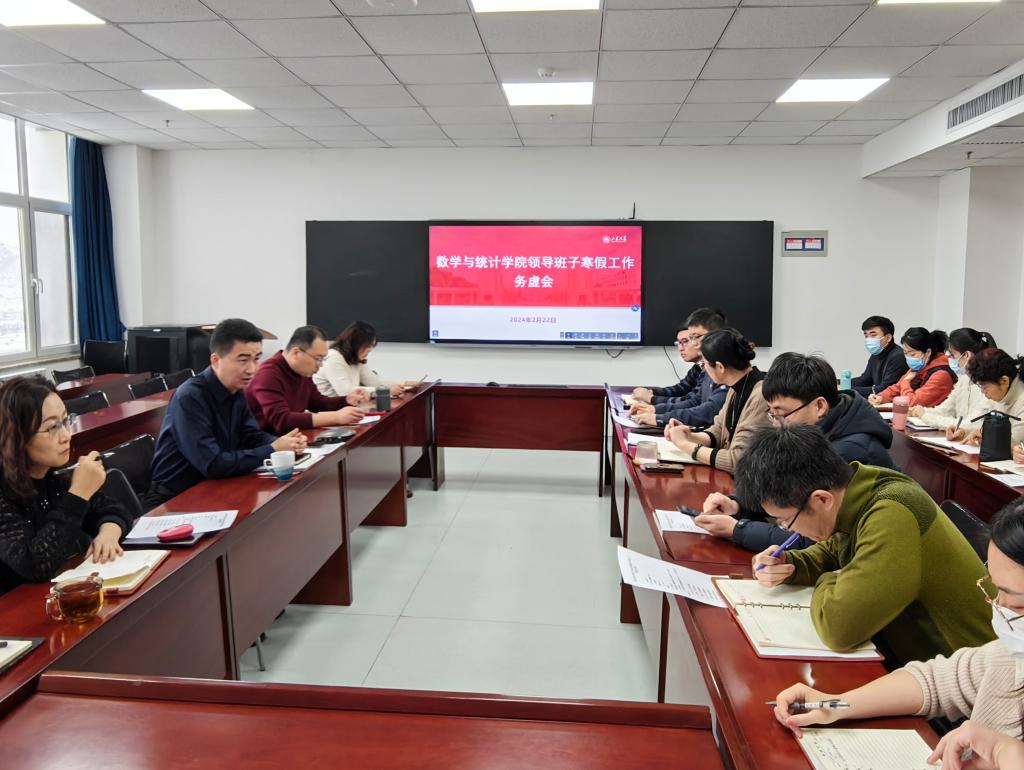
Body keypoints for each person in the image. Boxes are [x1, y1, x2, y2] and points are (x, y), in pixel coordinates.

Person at [769, 497, 1024, 756]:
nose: (999, 605)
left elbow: (839, 629)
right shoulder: (1009, 657)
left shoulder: (892, 509)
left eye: (1015, 599)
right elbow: (935, 682)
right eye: (995, 589)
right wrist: (835, 704)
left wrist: (1005, 753)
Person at [743, 425, 992, 664]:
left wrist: (831, 579)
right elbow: (835, 550)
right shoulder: (854, 490)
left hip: (969, 675)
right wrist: (790, 564)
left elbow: (839, 629)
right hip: (913, 656)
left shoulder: (891, 511)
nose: (790, 530)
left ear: (822, 500)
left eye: (787, 521)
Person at [697, 353, 895, 552]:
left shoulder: (851, 454)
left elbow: (818, 538)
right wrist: (737, 505)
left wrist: (737, 530)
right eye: (772, 414)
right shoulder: (817, 434)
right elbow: (786, 493)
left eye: (782, 414)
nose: (777, 424)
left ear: (819, 406)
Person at [144, 319, 308, 509]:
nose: (252, 369)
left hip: (216, 485)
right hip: (175, 499)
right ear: (216, 360)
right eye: (243, 360)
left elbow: (250, 436)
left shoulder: (236, 389)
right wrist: (272, 448)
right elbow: (212, 464)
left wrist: (285, 443)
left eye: (256, 358)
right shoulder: (190, 397)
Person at [0, 377, 134, 595]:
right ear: (17, 437)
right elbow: (36, 565)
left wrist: (108, 533)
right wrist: (79, 494)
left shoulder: (52, 478)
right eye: (52, 427)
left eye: (65, 421)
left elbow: (115, 510)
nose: (66, 435)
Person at [662, 328, 771, 473]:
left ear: (720, 367)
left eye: (704, 364)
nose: (704, 368)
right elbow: (718, 431)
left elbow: (737, 460)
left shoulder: (759, 395)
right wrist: (689, 436)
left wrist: (684, 444)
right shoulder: (735, 387)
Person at [245, 325, 366, 434]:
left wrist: (347, 400)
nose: (320, 365)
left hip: (290, 438)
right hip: (264, 442)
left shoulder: (301, 371)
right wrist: (335, 417)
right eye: (318, 359)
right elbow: (281, 420)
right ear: (296, 353)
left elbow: (317, 403)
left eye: (323, 359)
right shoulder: (267, 374)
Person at [628, 307, 728, 428]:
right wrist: (655, 408)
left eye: (695, 337)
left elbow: (707, 412)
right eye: (691, 338)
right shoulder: (705, 368)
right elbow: (694, 400)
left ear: (715, 336)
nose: (694, 343)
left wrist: (656, 410)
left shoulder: (725, 369)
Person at [909, 327, 999, 432]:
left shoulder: (989, 385)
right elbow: (945, 410)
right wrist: (918, 411)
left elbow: (969, 425)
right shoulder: (964, 378)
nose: (949, 359)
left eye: (952, 355)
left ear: (966, 355)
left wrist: (925, 416)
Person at [313, 321, 413, 400]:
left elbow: (375, 381)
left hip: (345, 408)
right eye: (368, 346)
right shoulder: (334, 357)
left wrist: (404, 384)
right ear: (356, 343)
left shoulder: (354, 359)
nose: (370, 349)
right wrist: (384, 391)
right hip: (327, 411)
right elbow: (345, 392)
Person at [947, 348, 1024, 448]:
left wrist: (986, 438)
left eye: (985, 387)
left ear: (1004, 381)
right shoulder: (1001, 393)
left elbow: (1016, 443)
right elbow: (983, 425)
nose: (982, 392)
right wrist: (964, 431)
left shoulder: (1021, 401)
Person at [868, 327, 955, 408]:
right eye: (905, 353)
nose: (909, 358)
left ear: (928, 352)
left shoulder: (941, 374)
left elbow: (912, 403)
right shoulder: (920, 366)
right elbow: (897, 388)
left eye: (912, 354)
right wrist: (880, 397)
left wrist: (906, 381)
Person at [851, 315, 908, 398]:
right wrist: (839, 383)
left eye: (873, 335)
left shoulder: (898, 356)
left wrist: (848, 390)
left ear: (888, 338)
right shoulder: (876, 354)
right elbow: (865, 380)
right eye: (866, 336)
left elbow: (885, 389)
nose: (869, 339)